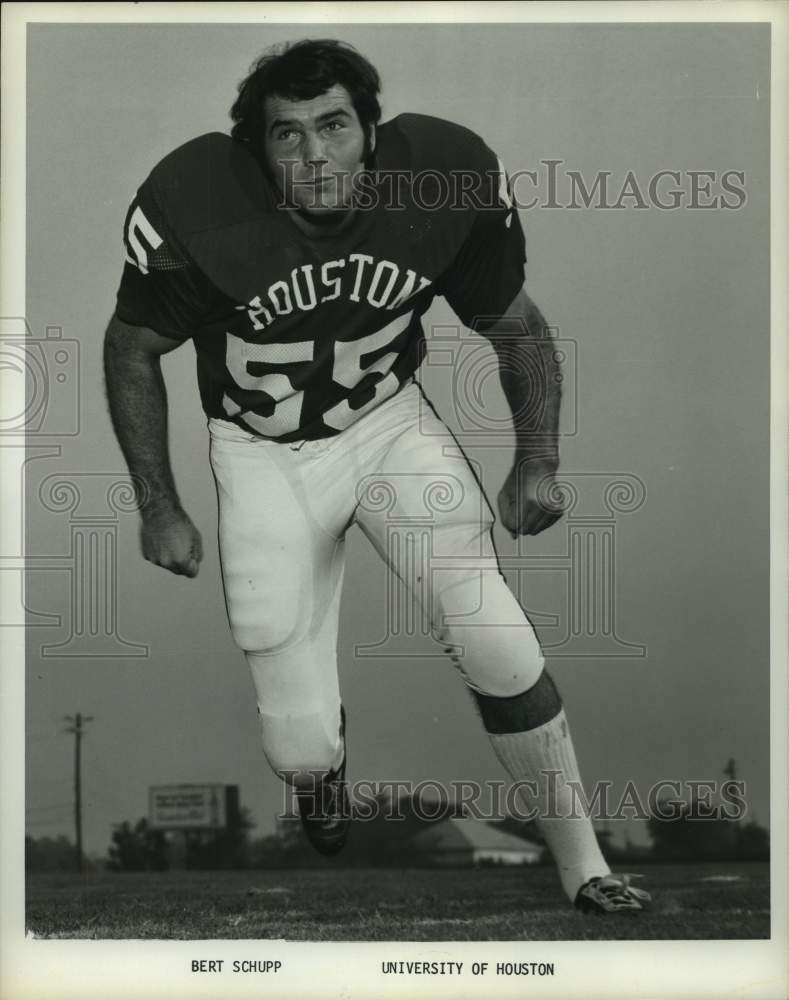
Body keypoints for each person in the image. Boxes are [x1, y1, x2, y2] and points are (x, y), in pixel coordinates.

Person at [104, 38, 649, 914]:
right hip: (263, 452)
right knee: (299, 746)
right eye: (287, 136)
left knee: (495, 639)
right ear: (255, 151)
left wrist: (538, 460)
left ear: (372, 132)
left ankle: (586, 868)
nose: (315, 156)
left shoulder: (438, 181)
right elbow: (132, 350)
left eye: (333, 127)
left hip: (388, 426)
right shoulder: (196, 206)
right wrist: (158, 505)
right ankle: (324, 771)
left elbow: (518, 330)